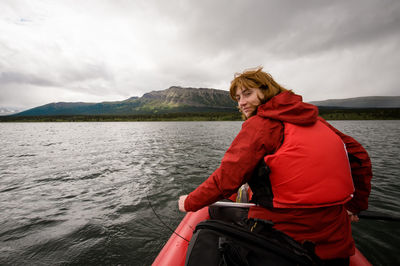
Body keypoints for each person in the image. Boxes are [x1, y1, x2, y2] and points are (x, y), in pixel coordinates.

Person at [178, 67, 372, 264]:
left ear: (266, 91)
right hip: (335, 243)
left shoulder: (261, 124)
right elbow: (359, 157)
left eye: (247, 93)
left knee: (207, 229)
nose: (242, 102)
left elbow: (227, 180)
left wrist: (188, 202)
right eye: (237, 98)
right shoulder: (317, 121)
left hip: (283, 240)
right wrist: (354, 206)